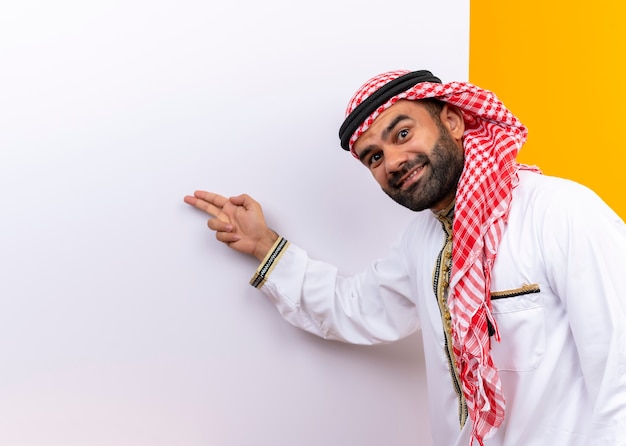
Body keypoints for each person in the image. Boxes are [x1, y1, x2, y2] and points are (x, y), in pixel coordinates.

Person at [183, 70, 626, 446]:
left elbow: (619, 374)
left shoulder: (560, 213)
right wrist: (264, 246)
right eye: (374, 156)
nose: (392, 161)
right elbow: (353, 308)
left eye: (402, 133)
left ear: (452, 120)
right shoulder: (423, 241)